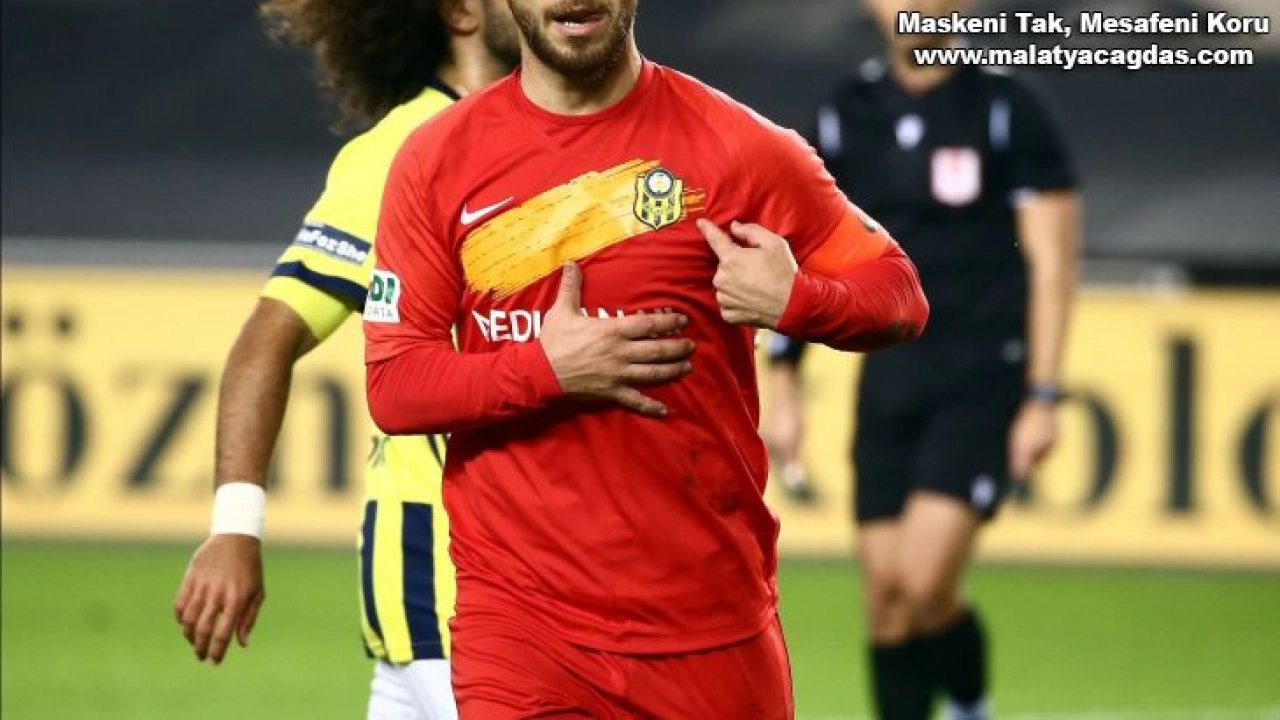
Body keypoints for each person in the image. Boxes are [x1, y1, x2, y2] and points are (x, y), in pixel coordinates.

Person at [362, 0, 930, 715]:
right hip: (522, 631)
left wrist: (799, 300)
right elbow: (396, 385)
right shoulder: (436, 159)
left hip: (710, 628)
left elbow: (899, 293)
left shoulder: (737, 146)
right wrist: (546, 370)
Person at [173, 1, 520, 718]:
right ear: (460, 12)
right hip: (452, 592)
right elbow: (267, 339)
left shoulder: (557, 143)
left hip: (494, 595)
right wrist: (236, 525)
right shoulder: (402, 152)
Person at [765, 1, 1082, 718]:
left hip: (981, 374)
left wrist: (1043, 394)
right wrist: (784, 386)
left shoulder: (1006, 107)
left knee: (923, 583)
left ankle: (971, 706)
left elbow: (1053, 263)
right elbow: (801, 250)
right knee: (886, 601)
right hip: (889, 374)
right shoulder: (847, 112)